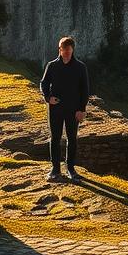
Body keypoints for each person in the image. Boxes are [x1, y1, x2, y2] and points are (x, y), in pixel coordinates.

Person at [39, 35, 90, 182]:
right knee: (55, 138)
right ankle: (55, 170)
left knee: (72, 139)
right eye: (63, 50)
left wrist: (82, 109)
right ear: (59, 50)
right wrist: (48, 98)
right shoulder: (52, 65)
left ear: (72, 49)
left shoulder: (80, 67)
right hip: (55, 109)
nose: (66, 52)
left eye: (68, 50)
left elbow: (85, 90)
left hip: (74, 110)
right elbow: (43, 83)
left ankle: (71, 169)